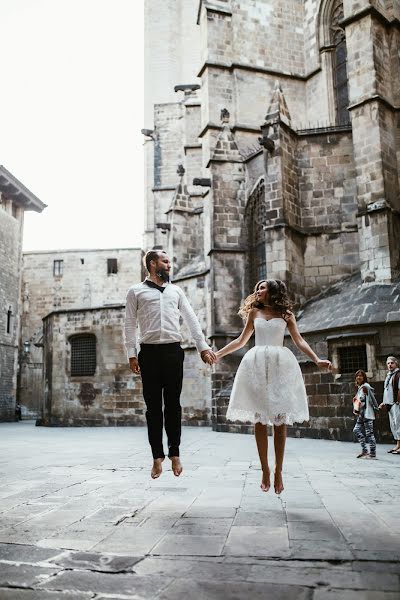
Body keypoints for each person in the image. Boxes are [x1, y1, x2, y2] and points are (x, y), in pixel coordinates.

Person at [215, 279, 331, 495]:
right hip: (256, 365)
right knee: (259, 420)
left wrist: (317, 359)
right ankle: (265, 469)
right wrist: (218, 354)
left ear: (273, 291)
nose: (258, 290)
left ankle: (278, 470)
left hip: (280, 365)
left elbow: (299, 341)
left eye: (262, 287)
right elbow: (241, 341)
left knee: (279, 420)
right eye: (257, 287)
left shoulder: (286, 314)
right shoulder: (253, 314)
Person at [124, 250, 216, 479]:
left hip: (173, 352)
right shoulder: (135, 291)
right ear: (153, 264)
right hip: (149, 354)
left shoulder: (176, 291)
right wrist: (131, 354)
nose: (169, 265)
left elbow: (192, 319)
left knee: (173, 405)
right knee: (153, 408)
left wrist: (202, 346)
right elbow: (129, 324)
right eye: (165, 261)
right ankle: (157, 457)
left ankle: (175, 452)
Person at [352, 370, 378, 459]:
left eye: (361, 376)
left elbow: (372, 399)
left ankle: (372, 453)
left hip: (367, 414)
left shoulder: (366, 387)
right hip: (361, 414)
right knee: (356, 430)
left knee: (369, 433)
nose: (359, 377)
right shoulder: (361, 387)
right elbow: (359, 400)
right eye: (357, 376)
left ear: (364, 377)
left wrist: (376, 408)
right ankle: (365, 450)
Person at [378, 356, 400, 454]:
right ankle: (398, 445)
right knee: (394, 425)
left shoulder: (398, 375)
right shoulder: (389, 375)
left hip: (396, 403)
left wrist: (398, 401)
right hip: (389, 404)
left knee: (399, 424)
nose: (390, 365)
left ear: (396, 364)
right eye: (388, 363)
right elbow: (387, 391)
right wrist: (384, 402)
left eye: (392, 363)